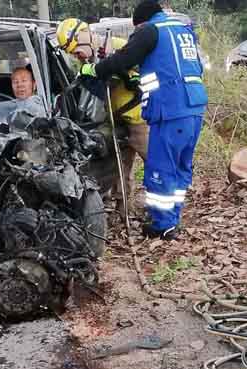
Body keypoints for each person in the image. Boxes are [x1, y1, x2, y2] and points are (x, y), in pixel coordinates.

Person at [79, 0, 207, 240]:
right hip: (195, 108)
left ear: (141, 22)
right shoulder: (183, 30)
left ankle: (163, 225)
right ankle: (172, 217)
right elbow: (191, 66)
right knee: (180, 168)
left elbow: (124, 59)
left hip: (170, 111)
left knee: (161, 169)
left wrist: (94, 71)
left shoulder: (151, 30)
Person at [57, 17, 149, 214]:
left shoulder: (119, 46)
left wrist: (133, 78)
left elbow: (149, 73)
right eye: (73, 54)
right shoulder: (88, 61)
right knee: (120, 167)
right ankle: (124, 208)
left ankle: (165, 211)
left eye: (76, 51)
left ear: (83, 36)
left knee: (155, 161)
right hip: (115, 120)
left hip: (139, 117)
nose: (77, 56)